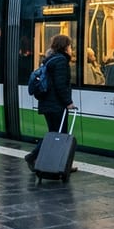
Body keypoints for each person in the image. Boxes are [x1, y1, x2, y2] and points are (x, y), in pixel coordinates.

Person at [23, 34, 76, 170]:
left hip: (48, 103)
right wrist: (68, 102)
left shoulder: (50, 60)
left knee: (53, 133)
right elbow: (60, 85)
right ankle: (60, 165)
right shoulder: (61, 61)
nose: (71, 49)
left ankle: (40, 158)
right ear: (65, 47)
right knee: (61, 135)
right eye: (70, 46)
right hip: (56, 105)